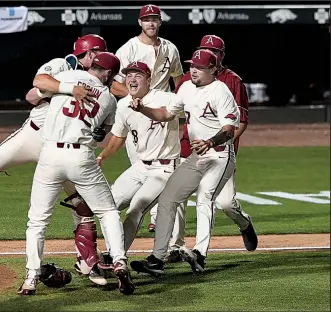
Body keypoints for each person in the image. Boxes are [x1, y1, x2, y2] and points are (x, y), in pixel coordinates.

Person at [0, 35, 111, 287]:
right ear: (84, 54)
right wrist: (65, 89)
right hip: (34, 135)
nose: (98, 59)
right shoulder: (62, 65)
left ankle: (88, 261)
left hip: (62, 150)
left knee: (83, 203)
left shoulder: (100, 83)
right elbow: (33, 91)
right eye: (95, 53)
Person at [19, 52, 135, 295]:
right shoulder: (109, 98)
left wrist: (68, 88)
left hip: (50, 154)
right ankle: (119, 262)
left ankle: (31, 277)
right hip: (81, 157)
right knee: (108, 211)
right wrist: (75, 93)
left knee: (38, 220)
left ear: (93, 65)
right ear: (110, 75)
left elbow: (39, 82)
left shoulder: (67, 75)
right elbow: (103, 131)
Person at [129, 49, 240, 276]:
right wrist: (143, 109)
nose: (193, 70)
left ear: (213, 70)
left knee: (205, 197)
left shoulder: (221, 91)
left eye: (199, 67)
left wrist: (210, 141)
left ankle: (200, 254)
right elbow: (166, 114)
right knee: (168, 198)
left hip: (220, 155)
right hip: (198, 156)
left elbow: (229, 130)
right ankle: (157, 260)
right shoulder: (186, 87)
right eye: (192, 66)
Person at [165, 35, 257, 264]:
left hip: (220, 151)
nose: (207, 54)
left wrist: (219, 144)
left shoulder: (232, 81)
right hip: (190, 147)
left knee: (225, 202)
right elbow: (175, 113)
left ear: (221, 57)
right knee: (178, 196)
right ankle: (176, 247)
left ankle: (244, 224)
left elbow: (240, 121)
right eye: (204, 49)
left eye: (213, 51)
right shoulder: (188, 79)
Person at [110, 3, 184, 232]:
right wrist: (135, 99)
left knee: (165, 162)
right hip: (136, 113)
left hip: (162, 111)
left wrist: (179, 105)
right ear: (140, 22)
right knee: (141, 162)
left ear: (160, 22)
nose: (151, 23)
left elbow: (179, 78)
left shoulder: (170, 48)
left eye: (155, 19)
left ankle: (156, 216)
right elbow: (113, 83)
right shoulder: (128, 49)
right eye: (147, 19)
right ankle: (143, 208)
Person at [96, 61, 180, 252]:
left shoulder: (166, 98)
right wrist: (102, 157)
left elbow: (164, 115)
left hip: (164, 169)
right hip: (140, 167)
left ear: (149, 80)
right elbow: (118, 137)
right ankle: (113, 252)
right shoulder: (123, 105)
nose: (132, 79)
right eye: (129, 75)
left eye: (138, 75)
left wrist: (142, 108)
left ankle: (116, 256)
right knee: (108, 206)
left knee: (136, 209)